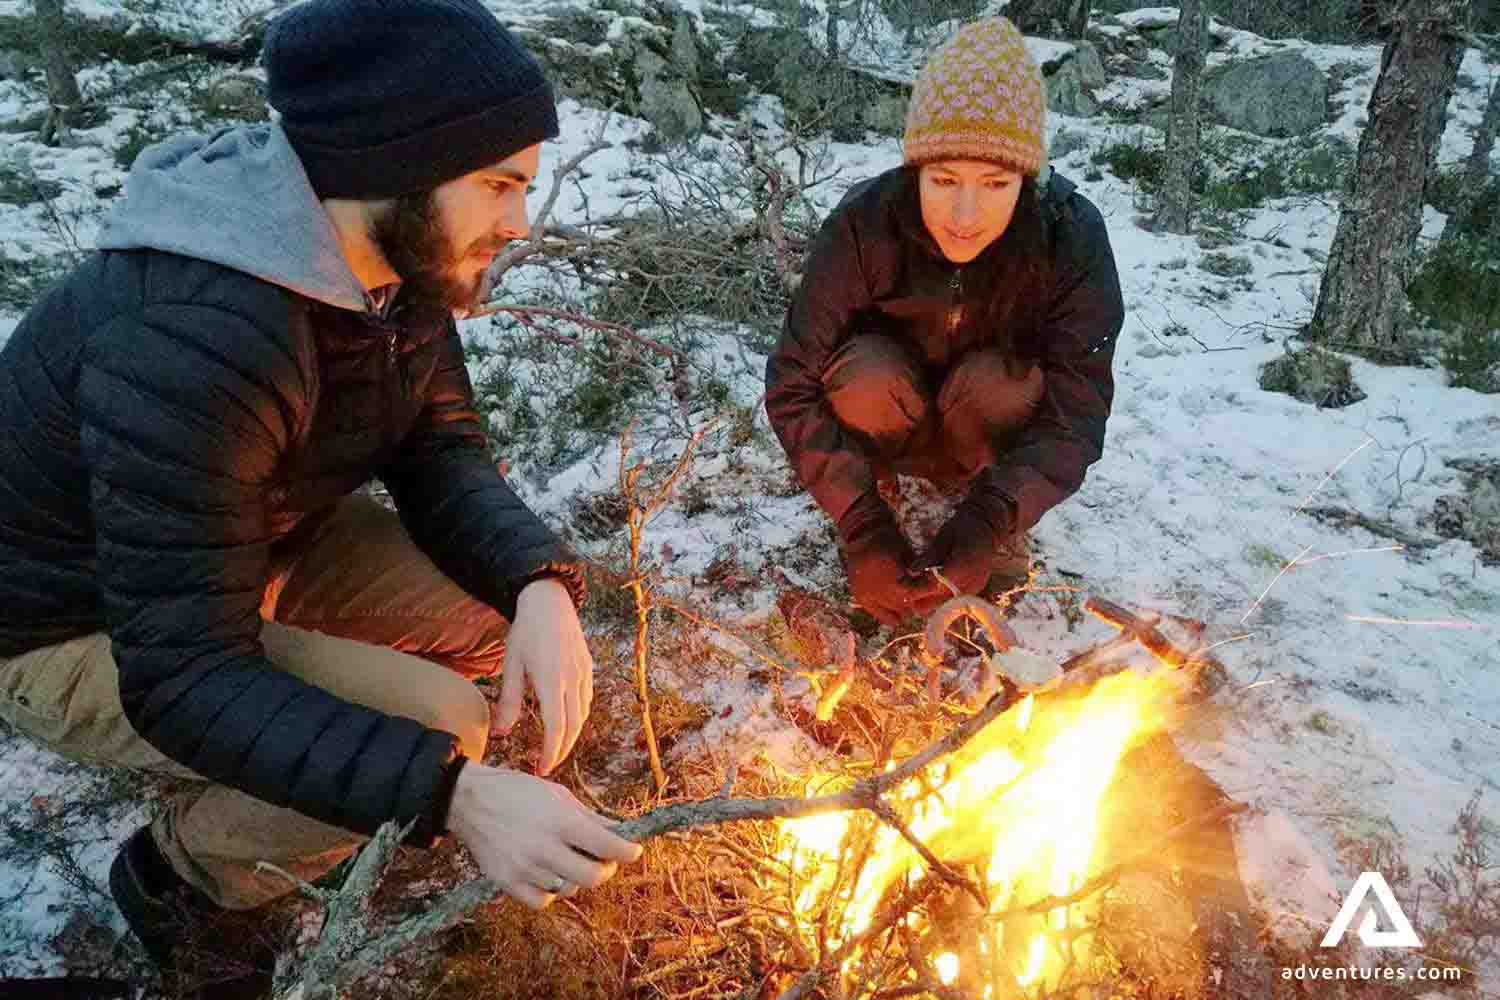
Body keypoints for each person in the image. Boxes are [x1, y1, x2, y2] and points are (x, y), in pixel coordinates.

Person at [0, 0, 641, 994]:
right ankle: (181, 873)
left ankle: (314, 781)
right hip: (70, 622)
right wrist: (450, 795)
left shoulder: (394, 266)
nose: (519, 220)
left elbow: (439, 448)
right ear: (394, 164)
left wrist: (536, 584)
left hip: (252, 537)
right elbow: (177, 672)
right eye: (498, 183)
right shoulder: (195, 333)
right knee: (441, 727)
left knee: (491, 623)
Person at [765, 17, 1125, 627]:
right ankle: (881, 501)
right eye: (944, 180)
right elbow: (792, 382)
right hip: (889, 417)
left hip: (983, 422)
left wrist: (988, 521)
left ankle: (994, 522)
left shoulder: (1070, 237)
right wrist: (860, 524)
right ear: (915, 170)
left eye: (994, 183)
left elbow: (1077, 408)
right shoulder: (865, 223)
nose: (965, 214)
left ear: (1027, 178)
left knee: (1005, 381)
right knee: (862, 375)